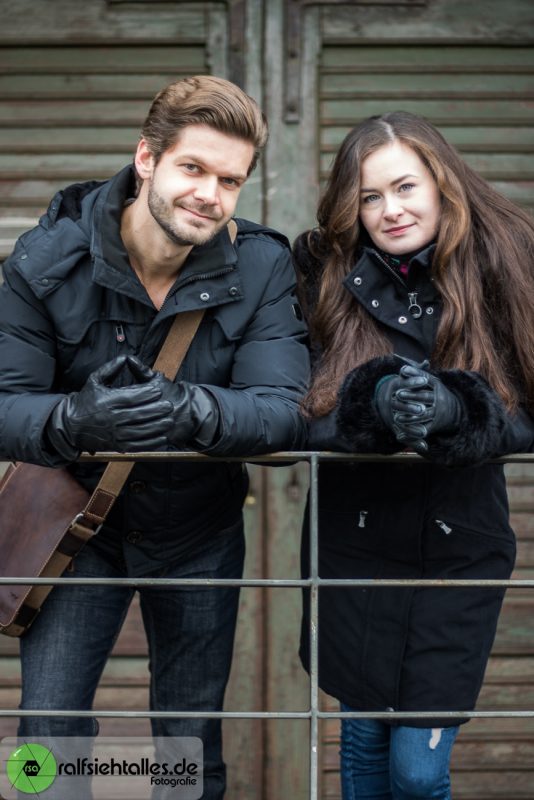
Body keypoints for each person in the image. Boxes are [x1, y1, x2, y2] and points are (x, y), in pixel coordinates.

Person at [0, 75, 309, 798]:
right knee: (47, 735)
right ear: (147, 159)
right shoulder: (47, 261)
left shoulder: (261, 264)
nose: (210, 194)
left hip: (200, 533)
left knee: (187, 742)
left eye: (229, 180)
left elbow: (285, 409)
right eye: (193, 168)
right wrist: (72, 421)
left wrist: (187, 410)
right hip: (81, 529)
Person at [293, 111, 534, 799]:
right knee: (364, 750)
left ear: (443, 182)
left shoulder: (506, 257)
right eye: (369, 197)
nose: (390, 210)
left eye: (405, 187)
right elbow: (290, 415)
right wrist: (371, 407)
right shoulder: (321, 271)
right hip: (352, 544)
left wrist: (461, 410)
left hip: (458, 548)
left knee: (417, 771)